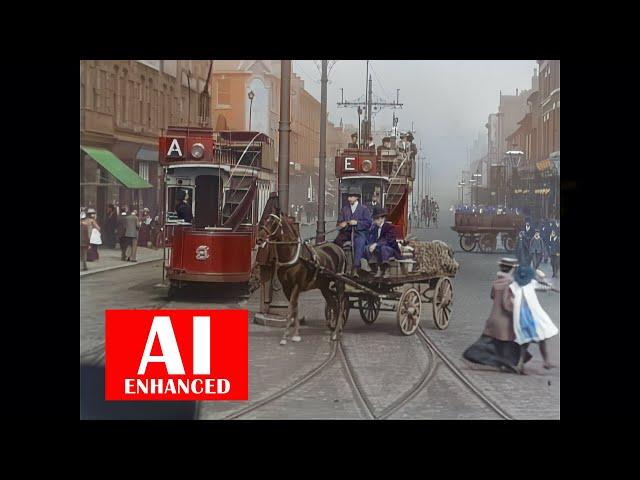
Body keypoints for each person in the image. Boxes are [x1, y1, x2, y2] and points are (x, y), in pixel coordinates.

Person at [463, 258, 532, 374]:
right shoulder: (510, 285)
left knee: (488, 345)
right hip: (504, 324)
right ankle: (511, 364)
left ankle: (505, 363)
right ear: (513, 269)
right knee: (519, 340)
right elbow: (507, 304)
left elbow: (492, 296)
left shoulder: (497, 282)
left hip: (492, 320)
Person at [510, 265, 559, 370]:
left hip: (520, 317)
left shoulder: (514, 285)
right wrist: (540, 277)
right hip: (533, 316)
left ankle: (521, 364)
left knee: (525, 340)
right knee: (541, 337)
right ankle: (545, 362)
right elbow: (547, 286)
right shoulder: (531, 283)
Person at [334, 186, 372, 277]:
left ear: (357, 197)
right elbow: (339, 223)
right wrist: (341, 224)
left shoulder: (364, 209)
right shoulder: (344, 209)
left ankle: (355, 268)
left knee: (359, 243)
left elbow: (368, 223)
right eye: (348, 196)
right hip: (346, 233)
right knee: (336, 243)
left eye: (351, 196)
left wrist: (357, 223)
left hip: (359, 233)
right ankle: (337, 268)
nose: (349, 199)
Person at [360, 209, 402, 278]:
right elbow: (371, 238)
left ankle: (386, 269)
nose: (375, 221)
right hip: (378, 248)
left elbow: (388, 240)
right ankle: (375, 268)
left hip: (391, 249)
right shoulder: (375, 228)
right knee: (367, 248)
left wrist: (376, 244)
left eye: (376, 219)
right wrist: (370, 244)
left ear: (382, 219)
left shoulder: (389, 227)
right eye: (374, 219)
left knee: (383, 249)